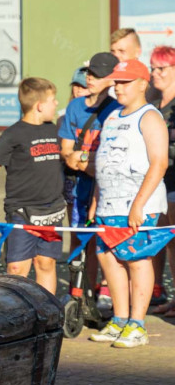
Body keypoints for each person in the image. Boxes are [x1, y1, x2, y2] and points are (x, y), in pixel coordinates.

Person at [89, 59, 168, 348]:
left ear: (142, 84)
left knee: (136, 258)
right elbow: (105, 160)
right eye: (115, 82)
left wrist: (139, 204)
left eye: (124, 82)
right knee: (108, 258)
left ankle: (137, 324)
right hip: (109, 205)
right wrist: (96, 200)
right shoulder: (112, 116)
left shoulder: (149, 117)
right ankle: (119, 319)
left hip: (137, 205)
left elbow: (159, 163)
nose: (117, 87)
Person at [0, 78, 66, 294]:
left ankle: (49, 315)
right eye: (52, 100)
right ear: (39, 105)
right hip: (21, 213)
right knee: (17, 269)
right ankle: (17, 316)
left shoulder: (54, 130)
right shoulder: (13, 134)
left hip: (51, 211)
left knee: (45, 264)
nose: (56, 104)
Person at [58, 52, 120, 307]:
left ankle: (100, 288)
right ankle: (78, 290)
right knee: (78, 234)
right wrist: (85, 162)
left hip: (107, 187)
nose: (91, 78)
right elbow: (66, 151)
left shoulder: (116, 111)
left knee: (102, 238)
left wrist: (82, 160)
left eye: (98, 75)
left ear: (112, 79)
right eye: (89, 73)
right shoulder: (75, 107)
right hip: (79, 185)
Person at [147, 46, 175, 315]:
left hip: (173, 181)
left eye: (162, 68)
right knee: (169, 243)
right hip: (160, 184)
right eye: (153, 68)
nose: (155, 73)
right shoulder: (155, 105)